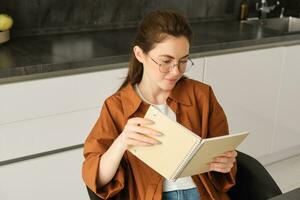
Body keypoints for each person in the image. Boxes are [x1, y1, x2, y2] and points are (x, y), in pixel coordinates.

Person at [82, 10, 237, 200]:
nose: (175, 71)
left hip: (203, 194)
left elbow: (223, 158)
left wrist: (226, 163)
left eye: (183, 61)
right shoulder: (117, 107)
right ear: (140, 54)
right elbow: (96, 177)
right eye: (166, 61)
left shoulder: (201, 96)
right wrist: (121, 142)